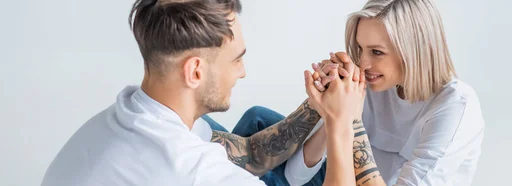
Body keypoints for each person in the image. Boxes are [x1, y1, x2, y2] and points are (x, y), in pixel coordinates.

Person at [40, 0, 376, 185]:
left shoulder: (125, 116)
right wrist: (342, 122)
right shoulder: (200, 174)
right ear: (195, 71)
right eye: (236, 60)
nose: (243, 71)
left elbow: (248, 153)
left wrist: (315, 106)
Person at [284, 0, 487, 185]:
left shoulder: (456, 106)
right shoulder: (368, 85)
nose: (363, 63)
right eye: (360, 49)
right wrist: (329, 112)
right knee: (259, 118)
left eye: (377, 52)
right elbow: (294, 179)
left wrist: (349, 118)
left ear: (415, 51)